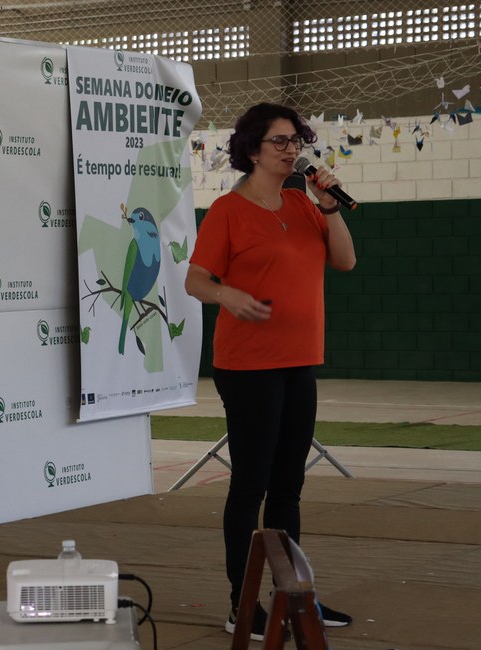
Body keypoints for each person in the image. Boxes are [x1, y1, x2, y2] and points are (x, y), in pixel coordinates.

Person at [184, 103, 357, 641]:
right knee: (251, 484)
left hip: (299, 360)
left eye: (295, 140)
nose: (291, 150)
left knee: (288, 486)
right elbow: (195, 280)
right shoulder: (228, 211)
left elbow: (346, 261)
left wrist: (330, 208)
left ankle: (293, 597)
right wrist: (226, 294)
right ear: (252, 150)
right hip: (249, 366)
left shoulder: (305, 203)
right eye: (279, 141)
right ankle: (242, 604)